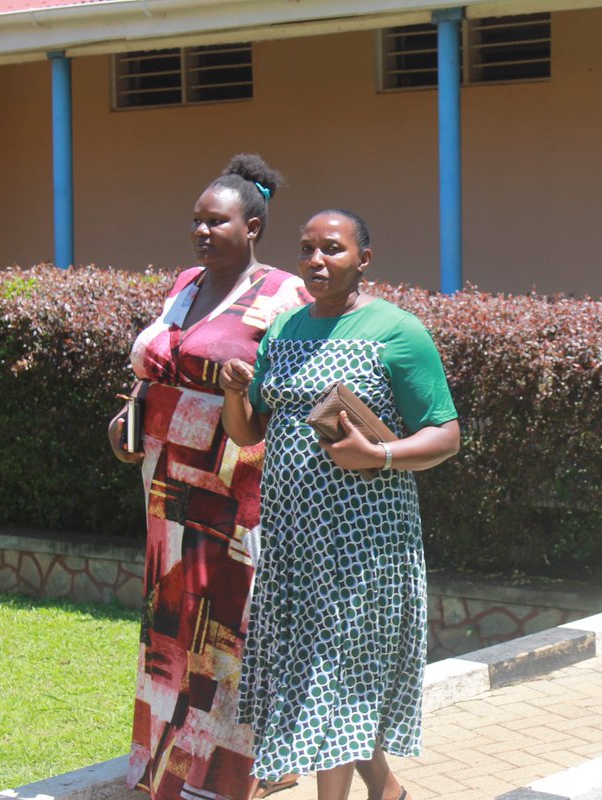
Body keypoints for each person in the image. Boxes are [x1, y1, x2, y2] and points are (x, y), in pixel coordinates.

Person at [219, 209, 461, 800]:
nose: (317, 261)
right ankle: (388, 791)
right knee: (321, 676)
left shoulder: (397, 331)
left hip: (365, 541)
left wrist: (376, 455)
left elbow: (445, 435)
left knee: (331, 679)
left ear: (364, 260)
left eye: (332, 249)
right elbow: (249, 432)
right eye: (306, 250)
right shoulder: (284, 330)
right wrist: (231, 391)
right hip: (293, 536)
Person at [109, 154, 310, 800]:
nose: (201, 231)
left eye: (216, 221)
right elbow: (154, 367)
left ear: (252, 227)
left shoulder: (284, 295)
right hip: (166, 479)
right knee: (172, 619)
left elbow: (298, 395)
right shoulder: (187, 283)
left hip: (235, 481)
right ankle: (166, 766)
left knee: (229, 624)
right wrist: (127, 416)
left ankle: (234, 772)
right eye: (196, 220)